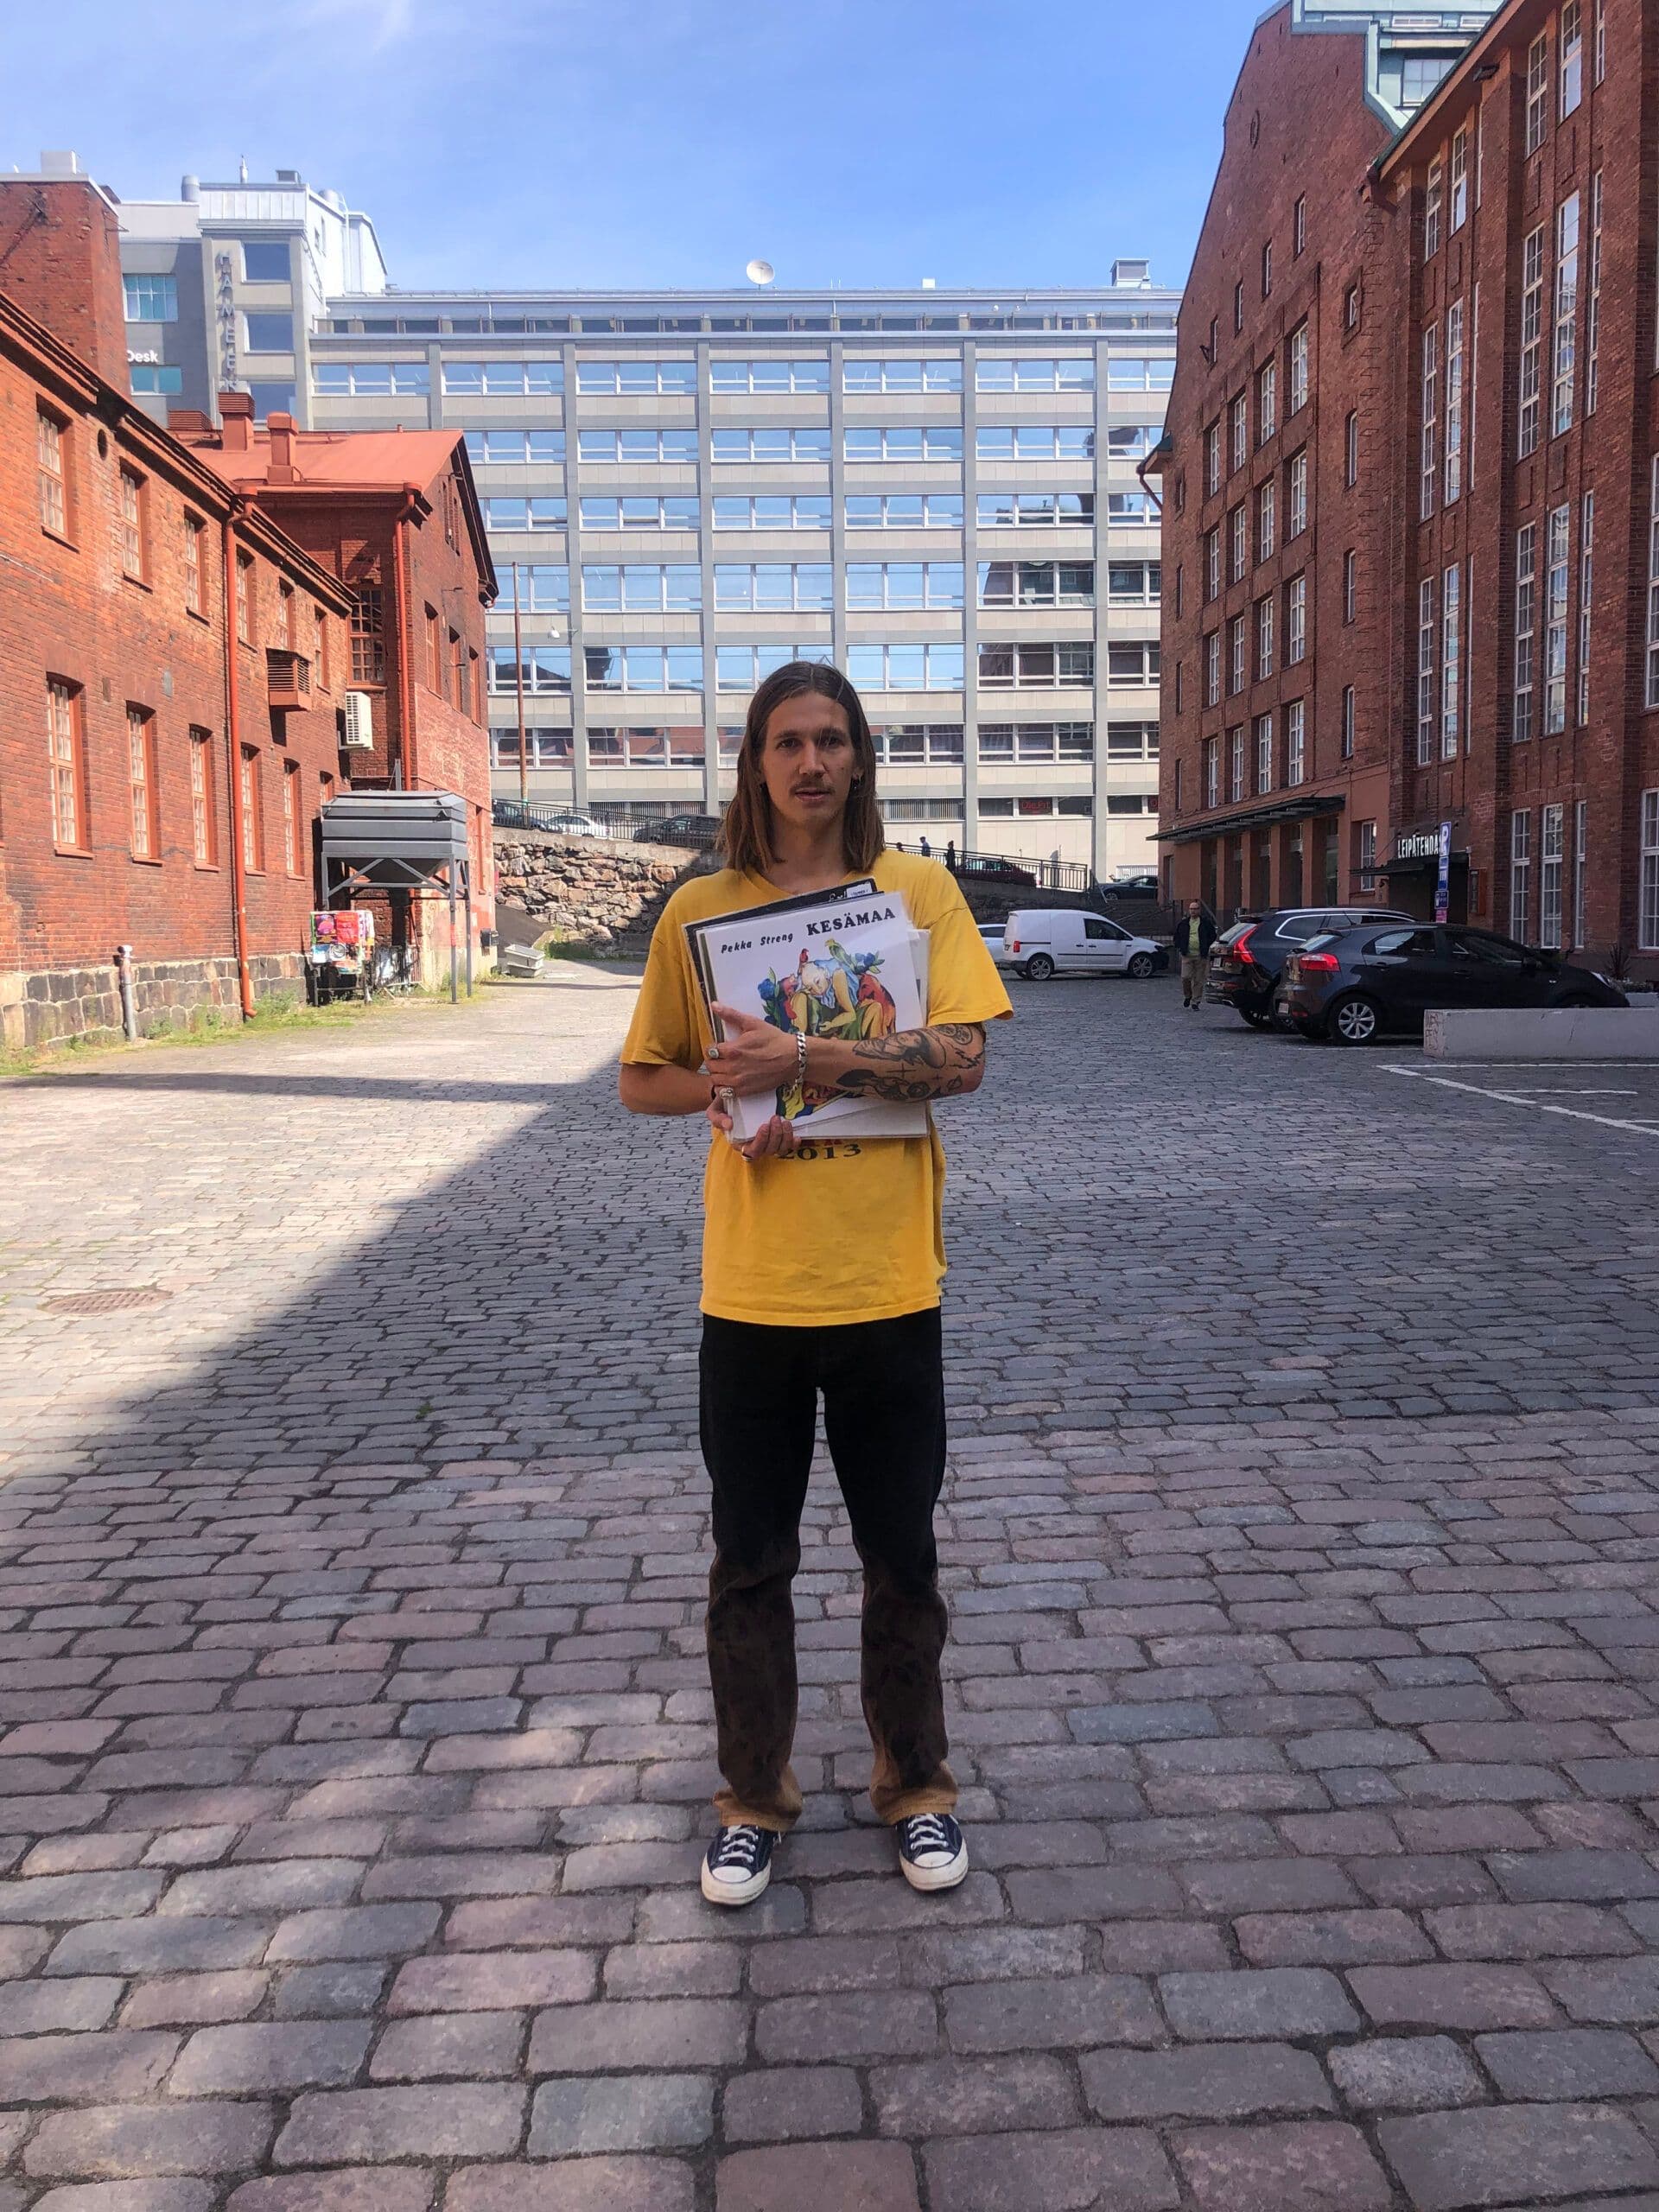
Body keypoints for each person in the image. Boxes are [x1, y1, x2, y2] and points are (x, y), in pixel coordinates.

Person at [619, 660, 1012, 1909]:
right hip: (754, 1295)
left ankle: (918, 1788)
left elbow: (962, 1057)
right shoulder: (701, 911)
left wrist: (803, 1053)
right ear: (755, 762)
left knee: (904, 1559)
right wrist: (728, 1091)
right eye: (787, 741)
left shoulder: (916, 892)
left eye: (831, 739)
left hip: (889, 1284)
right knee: (749, 1564)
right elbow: (643, 1079)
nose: (810, 762)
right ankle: (752, 1800)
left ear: (860, 758)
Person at [1173, 899, 1217, 1011]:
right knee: (1185, 977)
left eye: (1195, 909)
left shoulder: (1205, 923)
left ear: (1199, 910)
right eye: (1191, 909)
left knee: (1198, 980)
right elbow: (1177, 936)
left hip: (1201, 956)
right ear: (1189, 910)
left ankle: (1195, 1002)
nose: (1193, 911)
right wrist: (1180, 946)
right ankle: (1188, 995)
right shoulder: (1184, 923)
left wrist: (1206, 945)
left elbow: (1213, 935)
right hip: (1187, 955)